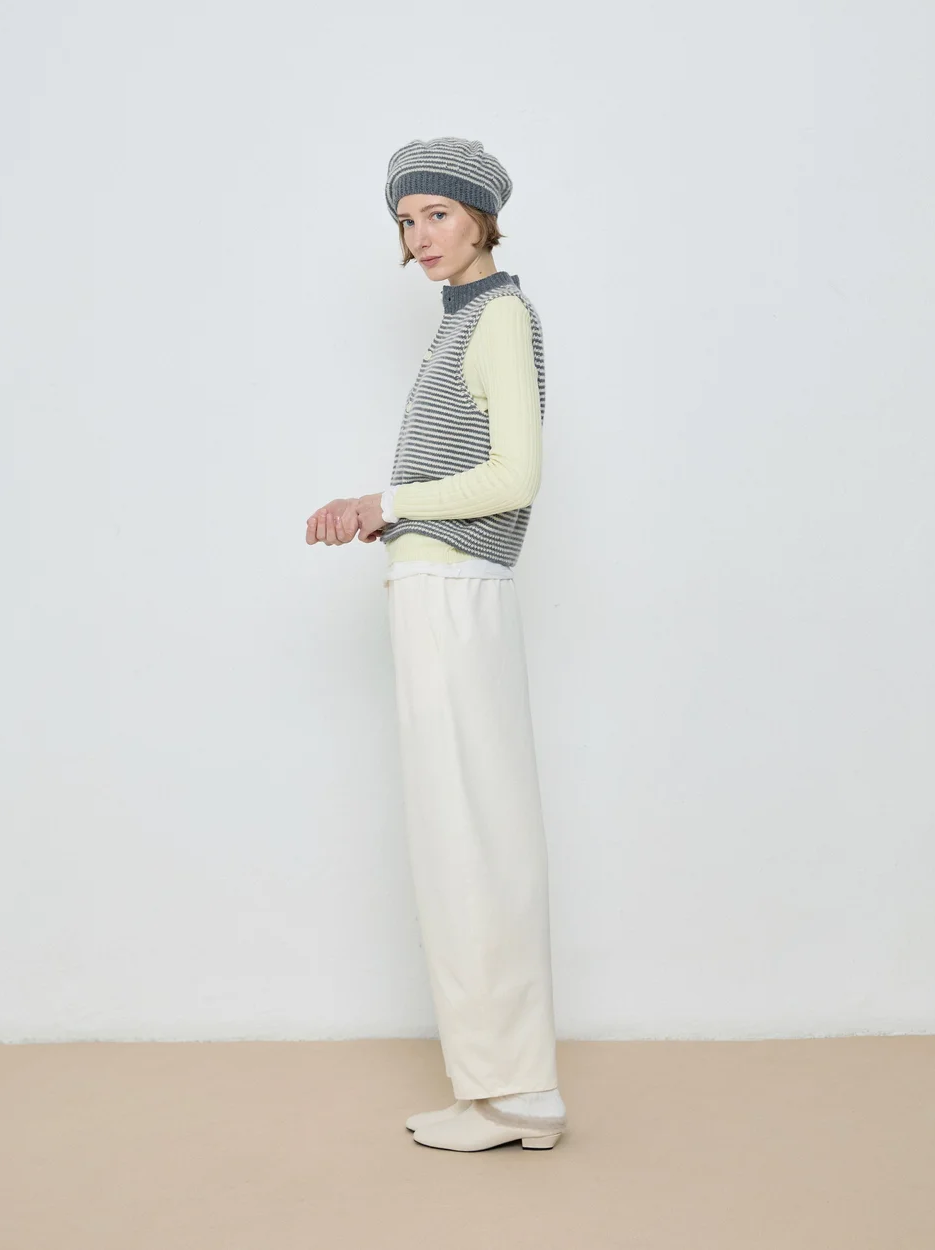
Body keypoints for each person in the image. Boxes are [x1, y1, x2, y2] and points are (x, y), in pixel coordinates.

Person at [305, 137, 567, 1152]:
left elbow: (514, 476)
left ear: (482, 218)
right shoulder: (461, 320)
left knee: (472, 835)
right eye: (407, 220)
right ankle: (500, 1085)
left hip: (455, 590)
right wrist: (387, 512)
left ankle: (516, 1089)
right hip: (437, 587)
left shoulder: (499, 315)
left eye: (438, 215)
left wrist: (387, 502)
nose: (420, 236)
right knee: (459, 834)